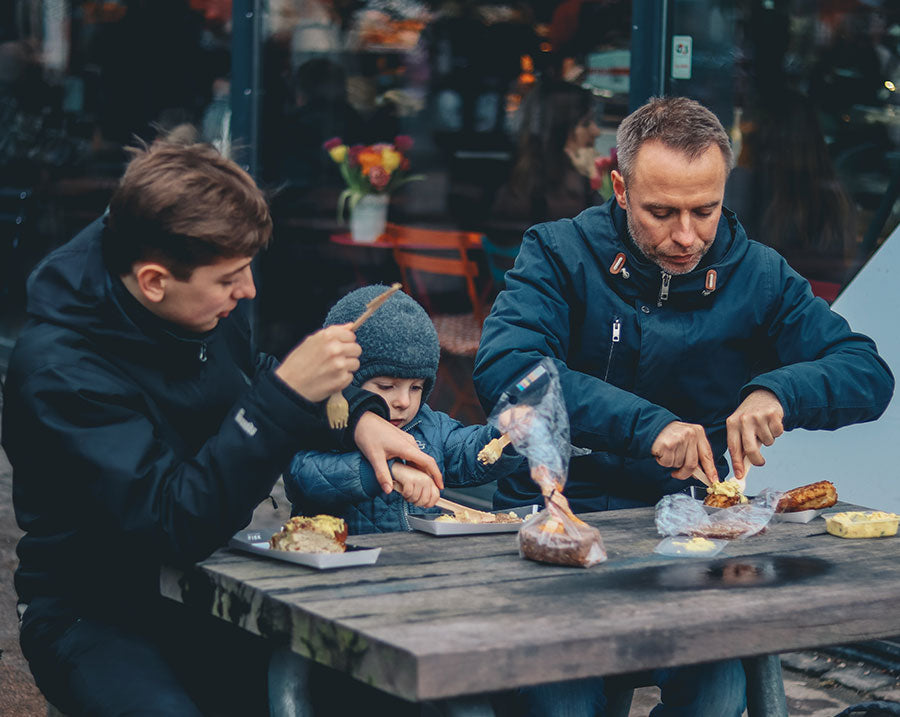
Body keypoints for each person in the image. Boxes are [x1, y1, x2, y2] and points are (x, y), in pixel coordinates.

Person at [474, 96, 894, 716]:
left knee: (720, 687)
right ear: (619, 186)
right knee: (561, 692)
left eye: (706, 210)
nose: (687, 236)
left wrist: (780, 390)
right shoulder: (560, 253)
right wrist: (649, 427)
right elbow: (509, 370)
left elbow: (868, 373)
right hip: (558, 522)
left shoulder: (758, 273)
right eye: (661, 212)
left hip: (687, 535)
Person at [2, 135, 441, 716]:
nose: (249, 289)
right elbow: (174, 520)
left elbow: (246, 381)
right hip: (93, 609)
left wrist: (357, 418)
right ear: (155, 280)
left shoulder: (192, 306)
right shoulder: (59, 370)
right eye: (231, 276)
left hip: (213, 582)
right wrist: (285, 395)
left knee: (378, 691)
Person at [285, 284, 523, 534]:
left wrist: (506, 436)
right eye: (387, 386)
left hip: (416, 565)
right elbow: (303, 477)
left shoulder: (430, 426)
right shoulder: (326, 426)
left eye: (416, 388)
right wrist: (386, 472)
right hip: (340, 562)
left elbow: (469, 455)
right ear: (346, 383)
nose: (404, 402)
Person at [490, 79, 603, 228]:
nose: (596, 132)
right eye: (585, 123)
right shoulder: (520, 197)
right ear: (559, 134)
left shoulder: (587, 182)